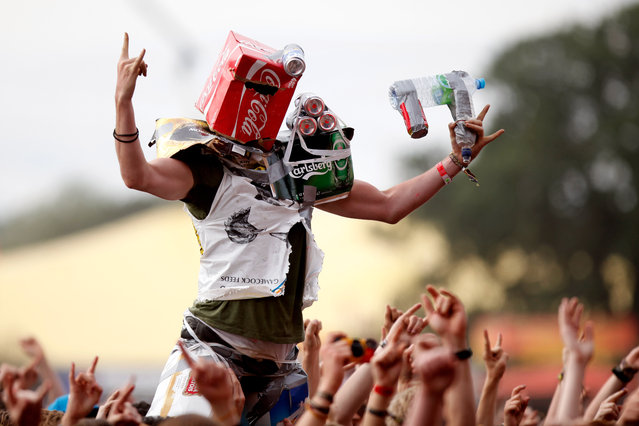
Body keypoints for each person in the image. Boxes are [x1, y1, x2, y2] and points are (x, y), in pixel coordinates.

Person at [114, 32, 504, 422]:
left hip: (279, 366)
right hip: (213, 346)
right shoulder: (207, 170)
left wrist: (455, 160)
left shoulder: (299, 175)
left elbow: (388, 205)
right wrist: (123, 101)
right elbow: (138, 176)